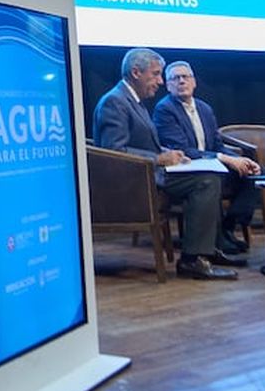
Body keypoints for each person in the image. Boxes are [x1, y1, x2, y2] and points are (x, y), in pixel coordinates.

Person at [93, 48, 246, 280]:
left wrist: (169, 153)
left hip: (148, 175)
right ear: (136, 72)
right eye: (155, 74)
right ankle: (192, 260)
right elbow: (113, 152)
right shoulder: (115, 102)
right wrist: (159, 159)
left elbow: (140, 143)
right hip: (132, 185)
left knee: (210, 175)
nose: (160, 81)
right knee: (206, 181)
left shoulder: (134, 100)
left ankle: (207, 250)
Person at [152, 60, 261, 253]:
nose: (181, 81)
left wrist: (240, 160)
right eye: (175, 78)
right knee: (212, 178)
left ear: (194, 82)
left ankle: (228, 227)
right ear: (168, 86)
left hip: (211, 162)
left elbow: (217, 144)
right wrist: (224, 158)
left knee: (251, 174)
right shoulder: (165, 110)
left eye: (185, 77)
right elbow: (182, 149)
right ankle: (218, 238)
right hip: (186, 167)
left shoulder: (204, 108)